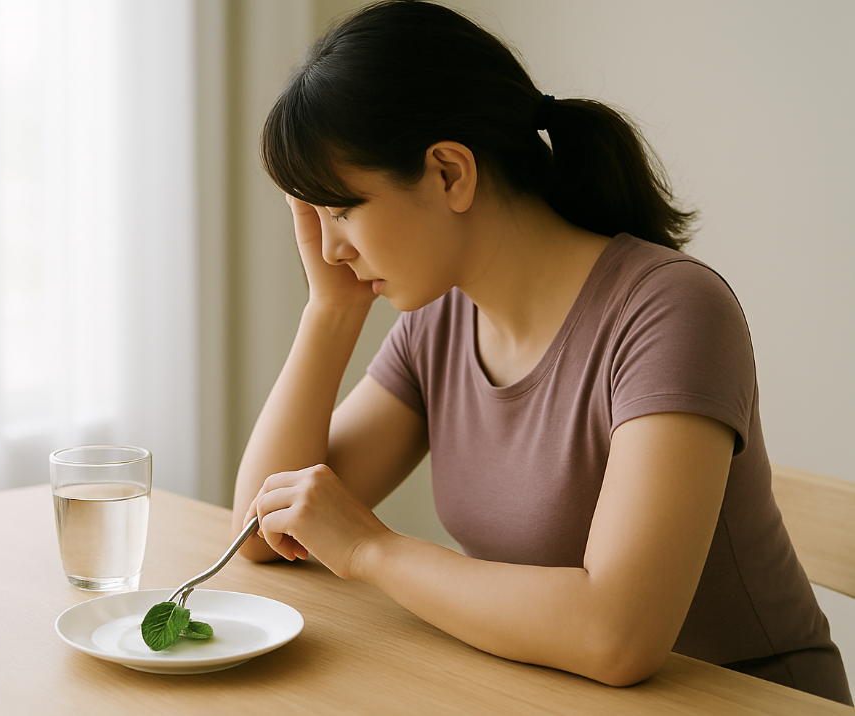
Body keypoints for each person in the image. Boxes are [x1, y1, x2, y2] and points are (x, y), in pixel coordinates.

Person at [229, 0, 851, 705]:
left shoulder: (670, 312)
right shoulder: (439, 322)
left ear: (449, 173)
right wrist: (330, 311)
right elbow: (262, 532)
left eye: (342, 210)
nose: (332, 249)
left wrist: (373, 550)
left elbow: (617, 634)